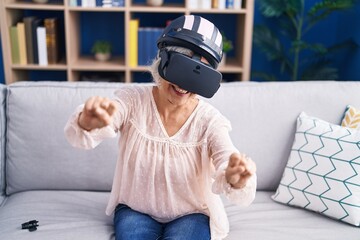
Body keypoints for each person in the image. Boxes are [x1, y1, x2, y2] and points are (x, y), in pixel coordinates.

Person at [64, 15, 257, 240]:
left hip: (191, 214)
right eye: (181, 65)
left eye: (198, 71)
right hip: (136, 209)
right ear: (163, 60)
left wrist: (236, 178)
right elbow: (108, 116)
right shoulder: (133, 101)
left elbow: (227, 159)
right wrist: (88, 122)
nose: (184, 84)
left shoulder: (210, 121)